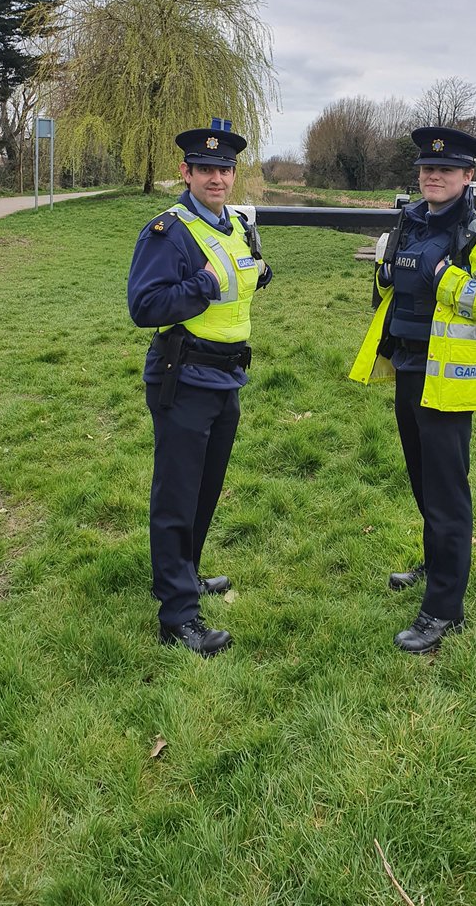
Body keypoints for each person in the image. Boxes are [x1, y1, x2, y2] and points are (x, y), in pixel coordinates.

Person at [350, 126, 476, 654]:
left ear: (469, 177)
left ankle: (444, 609)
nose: (434, 176)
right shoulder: (409, 221)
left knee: (447, 495)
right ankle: (437, 561)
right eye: (426, 169)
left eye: (445, 170)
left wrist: (443, 274)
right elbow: (390, 288)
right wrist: (386, 270)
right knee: (423, 482)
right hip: (407, 366)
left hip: (449, 382)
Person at [128, 125, 271, 656]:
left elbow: (239, 276)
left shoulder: (235, 225)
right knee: (177, 495)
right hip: (183, 378)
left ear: (234, 176)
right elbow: (144, 307)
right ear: (186, 174)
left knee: (206, 490)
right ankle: (178, 618)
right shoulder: (169, 231)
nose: (217, 177)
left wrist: (259, 271)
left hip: (227, 376)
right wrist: (201, 287)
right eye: (205, 169)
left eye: (225, 169)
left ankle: (183, 574)